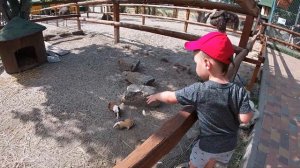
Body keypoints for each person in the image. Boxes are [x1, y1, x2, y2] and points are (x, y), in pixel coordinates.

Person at [147, 32, 253, 168]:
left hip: (206, 146)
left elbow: (171, 97)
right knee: (215, 163)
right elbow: (245, 118)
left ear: (207, 64)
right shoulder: (239, 90)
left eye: (196, 63)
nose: (195, 66)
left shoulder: (199, 90)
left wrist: (157, 96)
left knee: (195, 163)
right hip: (228, 146)